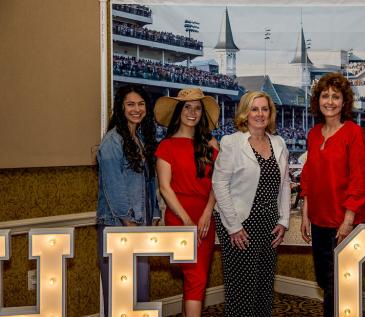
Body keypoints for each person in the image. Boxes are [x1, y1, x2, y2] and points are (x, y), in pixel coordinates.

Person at [212, 91, 290, 317]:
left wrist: (284, 220)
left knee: (265, 286)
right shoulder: (232, 142)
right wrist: (234, 227)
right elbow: (219, 184)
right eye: (254, 109)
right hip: (240, 224)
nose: (260, 114)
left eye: (264, 109)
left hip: (269, 224)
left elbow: (284, 184)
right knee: (242, 288)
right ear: (245, 113)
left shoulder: (279, 142)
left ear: (270, 113)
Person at [300, 72, 365, 317]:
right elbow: (308, 176)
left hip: (344, 222)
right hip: (319, 220)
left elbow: (358, 179)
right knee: (325, 281)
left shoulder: (353, 133)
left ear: (344, 102)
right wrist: (306, 214)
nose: (330, 101)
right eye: (325, 96)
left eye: (336, 97)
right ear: (317, 100)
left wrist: (348, 220)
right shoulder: (313, 133)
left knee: (339, 285)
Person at [96, 84, 161, 317]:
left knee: (139, 294)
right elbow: (114, 187)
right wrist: (129, 223)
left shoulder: (141, 138)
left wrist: (154, 214)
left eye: (141, 104)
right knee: (119, 296)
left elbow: (148, 183)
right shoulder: (112, 141)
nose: (137, 109)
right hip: (118, 225)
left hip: (138, 226)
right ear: (121, 108)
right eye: (131, 104)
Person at [154, 88, 220, 317]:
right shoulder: (166, 146)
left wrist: (207, 213)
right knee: (196, 278)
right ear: (178, 111)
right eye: (187, 107)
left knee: (194, 279)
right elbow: (165, 188)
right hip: (179, 217)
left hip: (205, 218)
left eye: (198, 107)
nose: (193, 112)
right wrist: (186, 219)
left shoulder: (211, 143)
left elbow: (217, 183)